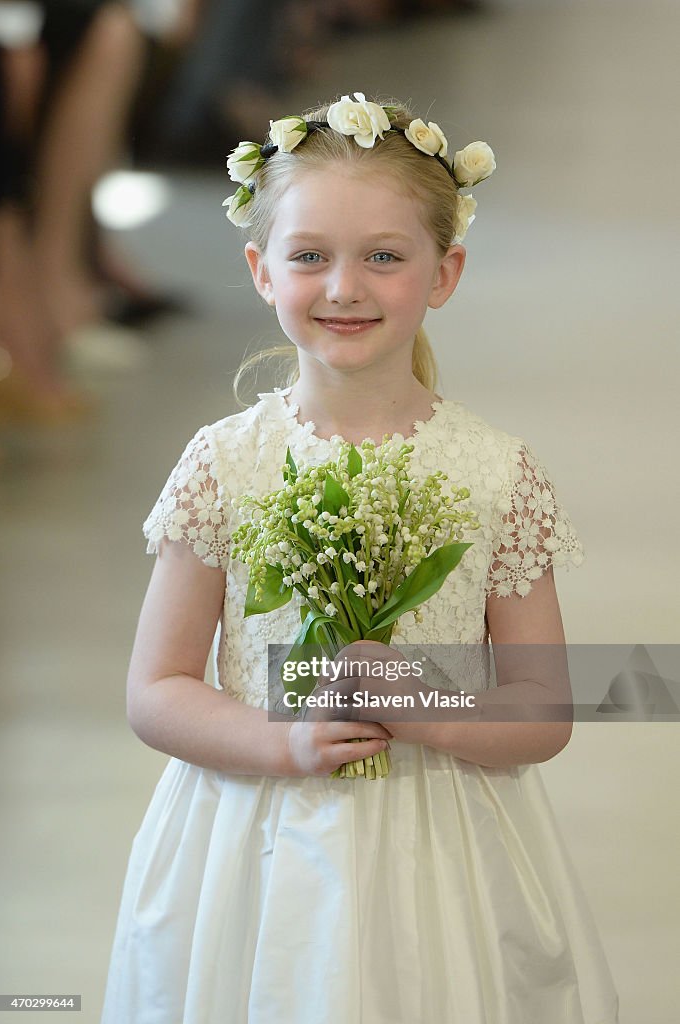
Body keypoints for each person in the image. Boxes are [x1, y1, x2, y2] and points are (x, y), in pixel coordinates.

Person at [101, 94, 619, 1022]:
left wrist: (421, 703)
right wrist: (282, 742)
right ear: (262, 271)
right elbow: (159, 687)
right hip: (253, 837)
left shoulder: (496, 472)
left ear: (444, 273)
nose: (345, 288)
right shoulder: (224, 463)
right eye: (311, 256)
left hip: (439, 847)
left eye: (384, 256)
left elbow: (543, 708)